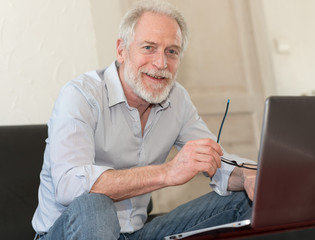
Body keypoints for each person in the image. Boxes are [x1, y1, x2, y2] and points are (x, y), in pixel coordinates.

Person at [32, 0, 257, 239]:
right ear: (121, 50)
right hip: (69, 232)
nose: (161, 64)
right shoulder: (81, 95)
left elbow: (214, 160)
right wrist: (166, 172)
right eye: (149, 47)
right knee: (94, 205)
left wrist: (249, 177)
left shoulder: (177, 98)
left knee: (248, 198)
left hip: (136, 234)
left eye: (171, 51)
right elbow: (68, 186)